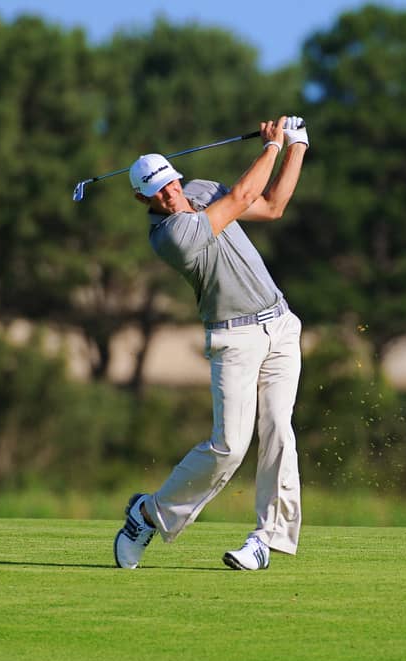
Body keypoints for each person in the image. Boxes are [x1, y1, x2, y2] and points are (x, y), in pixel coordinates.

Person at [114, 115, 309, 571]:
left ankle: (267, 539)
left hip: (280, 324)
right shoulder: (170, 237)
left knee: (279, 429)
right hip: (233, 337)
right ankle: (149, 514)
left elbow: (272, 206)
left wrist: (297, 145)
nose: (170, 193)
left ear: (177, 176)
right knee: (230, 448)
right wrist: (272, 147)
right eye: (158, 191)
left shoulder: (201, 188)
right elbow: (241, 196)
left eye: (171, 183)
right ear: (142, 198)